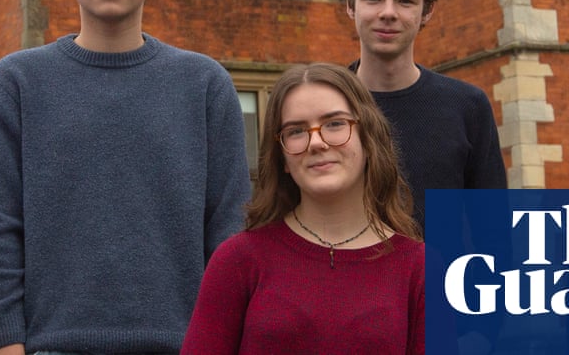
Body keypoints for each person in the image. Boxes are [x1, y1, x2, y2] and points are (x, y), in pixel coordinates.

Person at [0, 0, 251, 355]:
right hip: (51, 346)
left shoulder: (204, 84)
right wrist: (5, 345)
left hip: (185, 345)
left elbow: (229, 229)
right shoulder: (16, 82)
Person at [181, 63, 424, 354]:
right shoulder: (238, 260)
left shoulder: (420, 269)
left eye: (335, 124)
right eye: (296, 131)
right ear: (282, 156)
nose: (316, 142)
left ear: (368, 138)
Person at [345, 0, 507, 231]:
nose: (388, 12)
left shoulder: (467, 107)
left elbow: (492, 231)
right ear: (350, 5)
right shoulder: (324, 105)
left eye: (405, 0)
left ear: (427, 10)